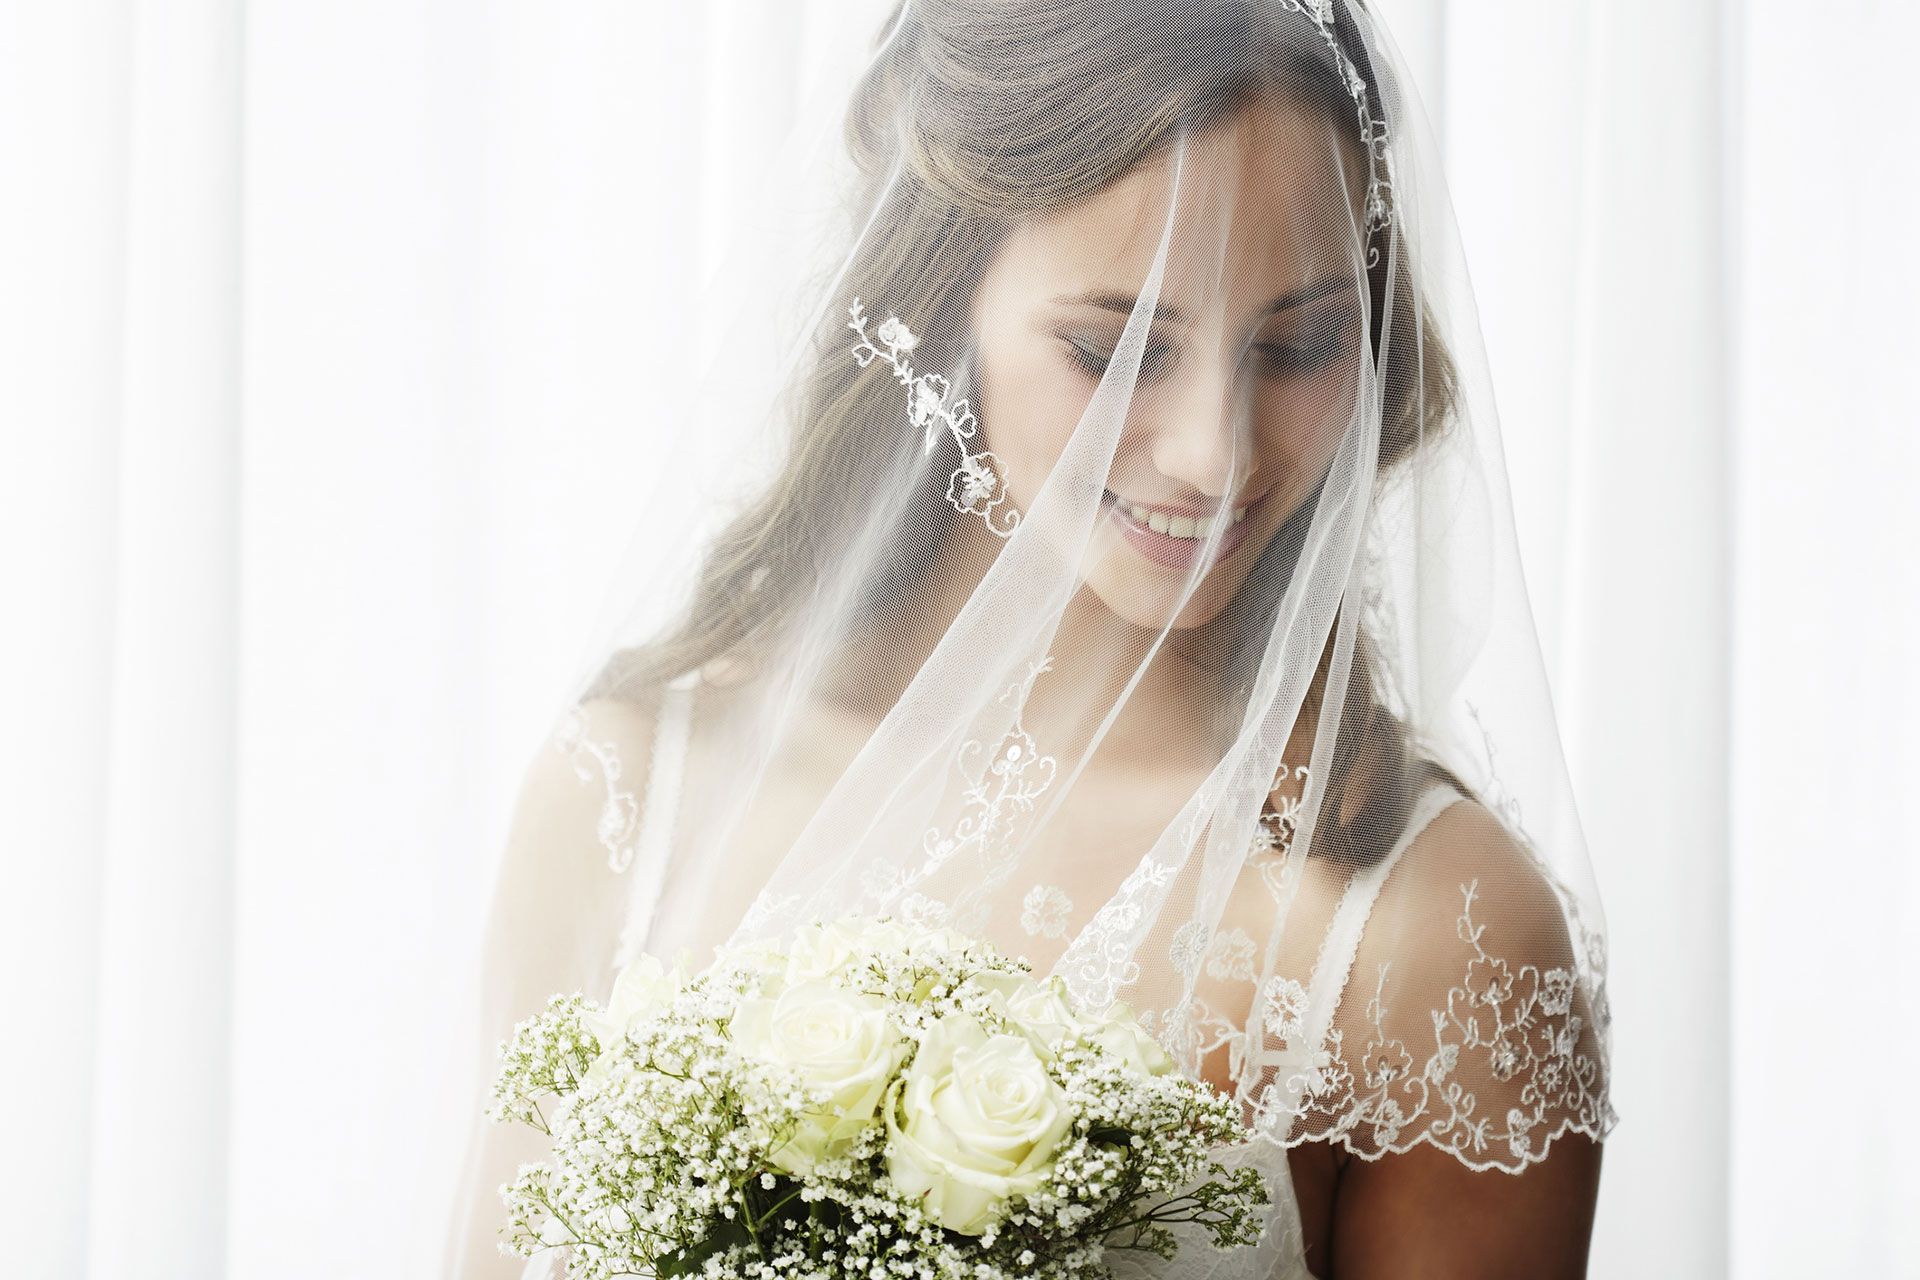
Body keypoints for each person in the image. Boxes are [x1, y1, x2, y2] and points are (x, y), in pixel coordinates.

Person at [441, 1, 1620, 1275]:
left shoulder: (1430, 927)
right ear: (944, 302)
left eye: (1301, 343)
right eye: (1115, 351)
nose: (1213, 454)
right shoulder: (633, 789)